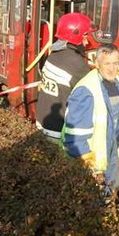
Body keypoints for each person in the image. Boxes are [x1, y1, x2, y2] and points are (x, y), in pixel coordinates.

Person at [61, 44, 119, 198]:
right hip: (94, 165)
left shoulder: (118, 84)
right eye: (107, 63)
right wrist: (87, 166)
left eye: (115, 63)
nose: (112, 68)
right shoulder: (86, 90)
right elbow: (75, 135)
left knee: (110, 198)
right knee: (92, 204)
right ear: (97, 63)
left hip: (110, 159)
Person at [35, 12, 93, 140]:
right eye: (85, 36)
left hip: (42, 122)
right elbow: (93, 91)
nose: (87, 41)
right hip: (58, 130)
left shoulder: (54, 55)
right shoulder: (75, 63)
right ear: (76, 36)